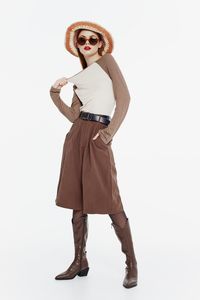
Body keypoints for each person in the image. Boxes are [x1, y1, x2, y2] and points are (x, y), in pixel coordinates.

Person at [49, 20, 138, 289]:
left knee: (111, 200)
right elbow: (74, 115)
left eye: (92, 40)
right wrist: (55, 93)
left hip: (100, 132)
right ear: (77, 45)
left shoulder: (108, 62)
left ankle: (131, 265)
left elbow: (124, 98)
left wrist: (109, 134)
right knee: (77, 198)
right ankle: (80, 261)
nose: (87, 44)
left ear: (101, 43)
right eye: (82, 41)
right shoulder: (79, 79)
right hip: (78, 134)